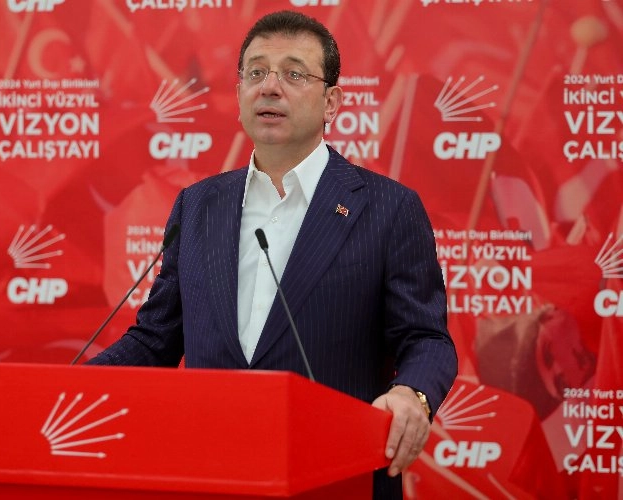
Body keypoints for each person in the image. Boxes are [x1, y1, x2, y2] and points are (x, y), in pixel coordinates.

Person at [88, 10, 457, 499]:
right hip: (212, 475)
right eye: (256, 72)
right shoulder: (197, 206)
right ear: (240, 93)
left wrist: (412, 394)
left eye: (294, 74)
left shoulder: (388, 208)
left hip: (332, 475)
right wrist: (71, 390)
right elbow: (155, 340)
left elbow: (426, 337)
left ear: (331, 103)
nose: (270, 87)